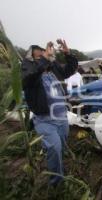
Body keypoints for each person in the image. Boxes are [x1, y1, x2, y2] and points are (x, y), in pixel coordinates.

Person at [21, 40, 78, 185]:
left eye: (44, 53)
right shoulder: (30, 72)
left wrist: (68, 54)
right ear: (32, 60)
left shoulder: (53, 68)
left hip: (62, 118)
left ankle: (56, 164)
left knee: (61, 147)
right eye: (39, 56)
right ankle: (56, 183)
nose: (43, 56)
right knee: (54, 147)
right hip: (45, 120)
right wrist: (45, 59)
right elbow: (31, 76)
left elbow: (69, 70)